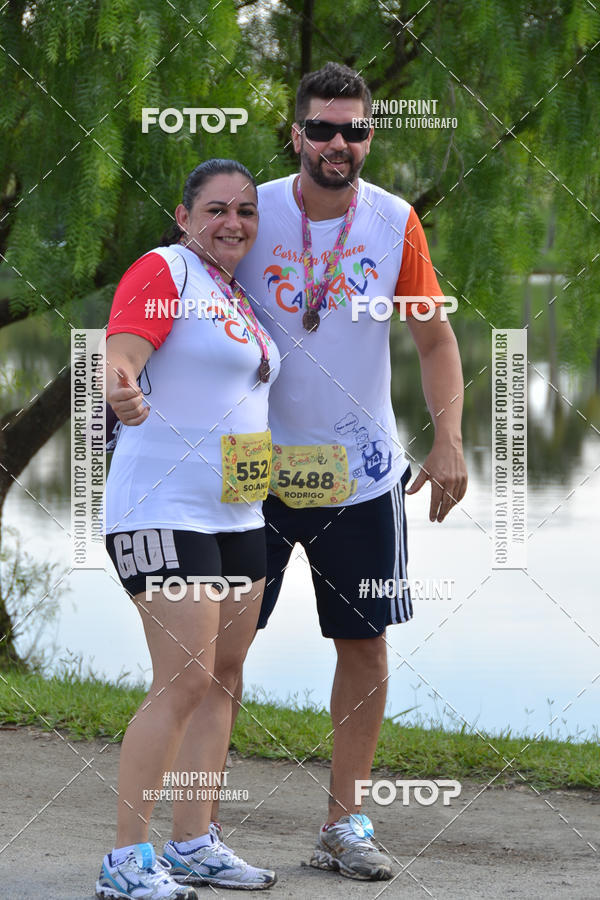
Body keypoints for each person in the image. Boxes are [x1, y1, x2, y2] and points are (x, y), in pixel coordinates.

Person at [230, 63, 468, 881]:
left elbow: (435, 341)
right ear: (296, 134)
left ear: (370, 135)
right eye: (323, 129)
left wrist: (450, 441)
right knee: (220, 650)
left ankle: (344, 825)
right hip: (250, 468)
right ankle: (201, 826)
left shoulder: (395, 220)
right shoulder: (246, 210)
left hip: (359, 472)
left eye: (354, 129)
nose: (339, 143)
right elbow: (184, 310)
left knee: (363, 647)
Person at [98, 159, 279, 898]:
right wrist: (121, 388)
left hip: (238, 513)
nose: (231, 222)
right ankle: (123, 862)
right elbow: (119, 356)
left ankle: (194, 841)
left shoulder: (235, 295)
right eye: (214, 209)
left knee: (223, 680)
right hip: (161, 510)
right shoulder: (164, 268)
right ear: (183, 215)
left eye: (244, 210)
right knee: (184, 680)